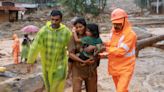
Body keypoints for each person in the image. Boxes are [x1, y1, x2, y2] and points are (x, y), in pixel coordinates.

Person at [27, 10, 72, 92]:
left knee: (56, 87)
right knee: (49, 87)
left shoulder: (66, 32)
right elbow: (35, 46)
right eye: (52, 19)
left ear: (61, 20)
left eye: (56, 20)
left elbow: (72, 47)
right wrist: (30, 61)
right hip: (47, 65)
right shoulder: (44, 31)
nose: (54, 22)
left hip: (60, 65)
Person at [105, 8, 137, 92]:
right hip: (115, 66)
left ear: (124, 21)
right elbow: (112, 43)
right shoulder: (113, 31)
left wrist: (106, 49)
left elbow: (121, 51)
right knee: (122, 89)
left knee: (120, 90)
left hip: (126, 68)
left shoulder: (130, 35)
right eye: (114, 23)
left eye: (118, 24)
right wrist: (103, 43)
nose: (116, 26)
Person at [69, 17, 100, 92]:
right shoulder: (73, 38)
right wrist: (83, 61)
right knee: (76, 90)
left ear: (85, 27)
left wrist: (94, 57)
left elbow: (100, 48)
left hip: (91, 69)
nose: (79, 29)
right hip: (78, 69)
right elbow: (70, 54)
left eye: (80, 27)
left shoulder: (91, 36)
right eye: (76, 27)